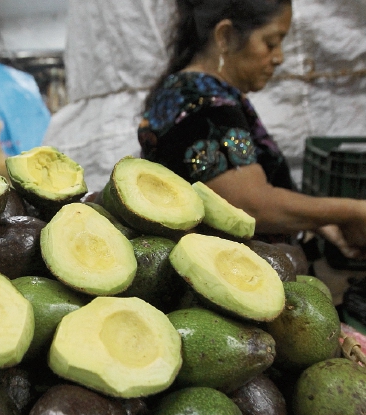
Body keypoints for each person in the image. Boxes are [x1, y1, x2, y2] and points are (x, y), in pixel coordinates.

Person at [138, 0, 366, 259]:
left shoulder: (201, 95)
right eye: (270, 43)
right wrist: (352, 210)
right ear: (225, 36)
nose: (279, 57)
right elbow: (250, 204)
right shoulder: (200, 101)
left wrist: (321, 223)